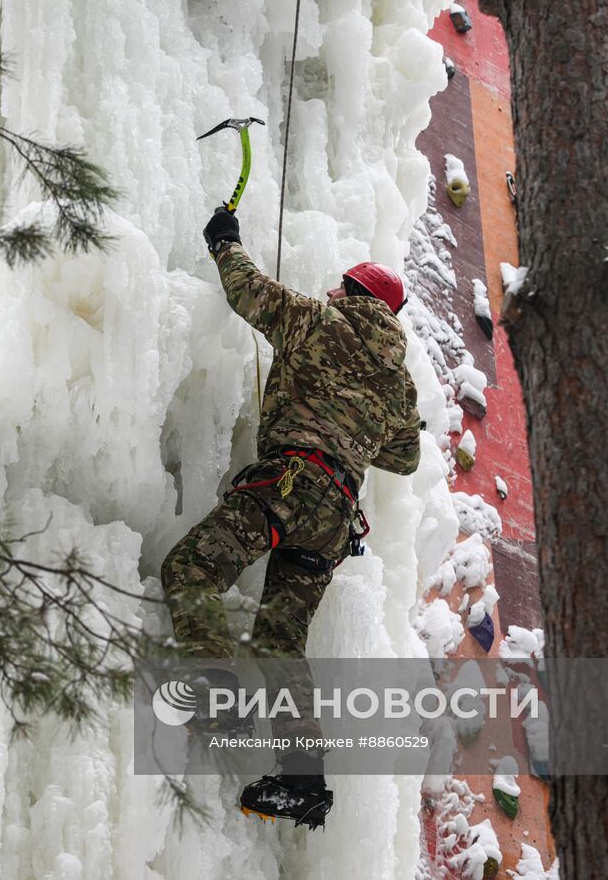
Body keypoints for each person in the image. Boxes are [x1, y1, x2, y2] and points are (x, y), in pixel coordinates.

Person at [160, 206, 422, 828]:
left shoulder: (318, 320)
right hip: (335, 518)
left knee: (191, 569)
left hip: (289, 484)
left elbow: (248, 292)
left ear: (352, 292)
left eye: (341, 286)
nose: (333, 289)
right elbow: (406, 456)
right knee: (281, 642)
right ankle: (304, 781)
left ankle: (220, 699)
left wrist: (225, 242)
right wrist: (358, 429)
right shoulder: (398, 385)